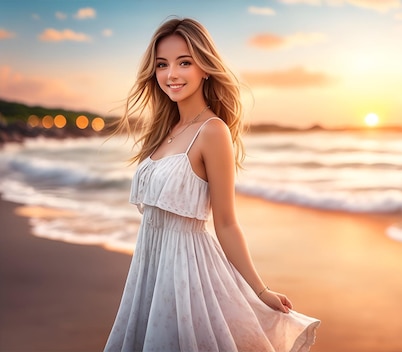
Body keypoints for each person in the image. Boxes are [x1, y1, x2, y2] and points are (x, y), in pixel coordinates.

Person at [104, 17, 320, 352]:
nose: (171, 74)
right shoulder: (164, 131)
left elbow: (227, 222)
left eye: (184, 62)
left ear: (205, 67)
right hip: (150, 266)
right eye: (162, 65)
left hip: (187, 272)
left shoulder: (213, 131)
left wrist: (260, 291)